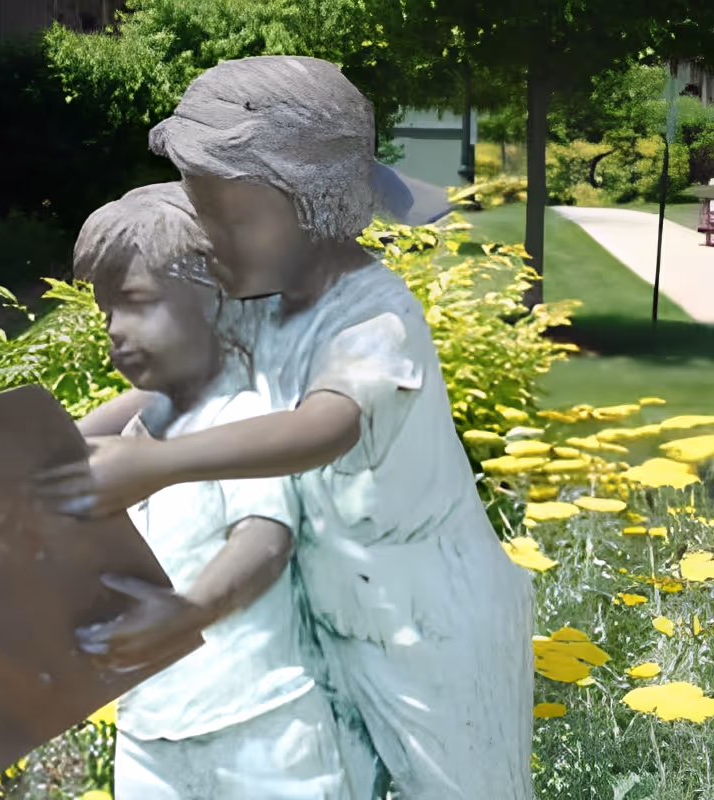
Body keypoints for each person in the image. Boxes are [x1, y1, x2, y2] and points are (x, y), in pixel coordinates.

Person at [44, 57, 534, 800]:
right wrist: (66, 441)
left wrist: (159, 464)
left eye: (230, 221)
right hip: (335, 614)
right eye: (204, 216)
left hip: (430, 622)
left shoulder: (372, 317)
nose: (211, 242)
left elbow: (323, 427)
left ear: (312, 207)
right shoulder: (262, 302)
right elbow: (179, 388)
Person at [72, 183, 352, 799]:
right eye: (106, 312)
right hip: (151, 726)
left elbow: (264, 538)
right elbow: (64, 455)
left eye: (136, 303)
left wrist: (191, 610)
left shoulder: (240, 418)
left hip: (256, 726)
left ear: (219, 299)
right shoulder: (147, 425)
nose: (115, 330)